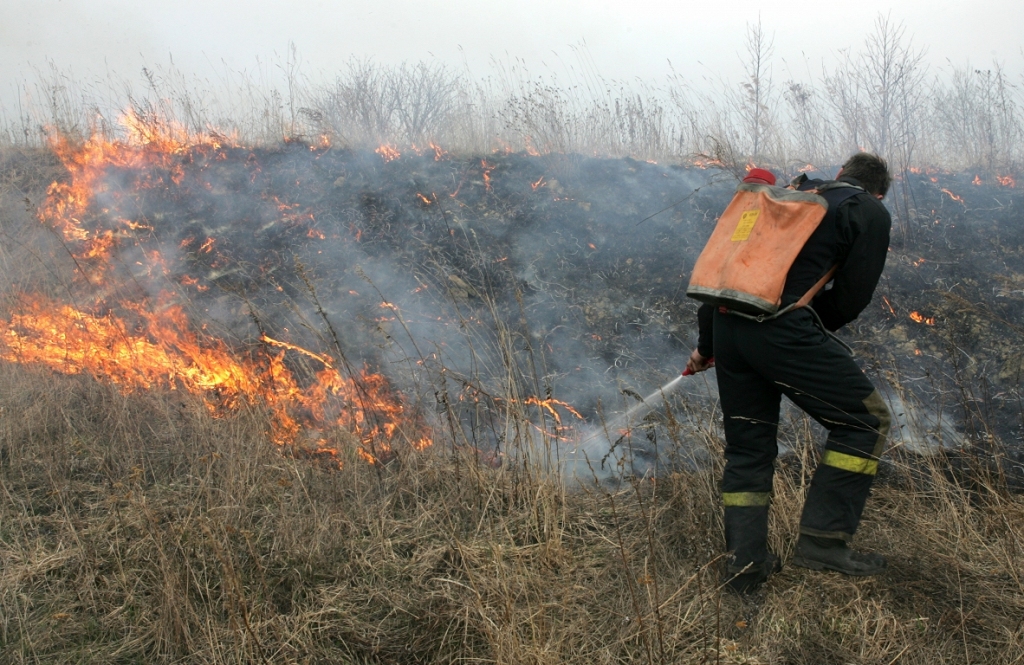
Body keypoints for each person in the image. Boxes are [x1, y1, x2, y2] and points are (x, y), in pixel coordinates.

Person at [686, 152, 894, 593]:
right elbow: (852, 296)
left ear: (839, 175)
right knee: (865, 421)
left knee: (747, 449)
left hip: (727, 325)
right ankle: (823, 543)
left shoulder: (790, 197)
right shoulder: (868, 210)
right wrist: (801, 330)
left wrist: (707, 346)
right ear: (877, 192)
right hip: (782, 331)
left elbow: (727, 273)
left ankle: (745, 567)